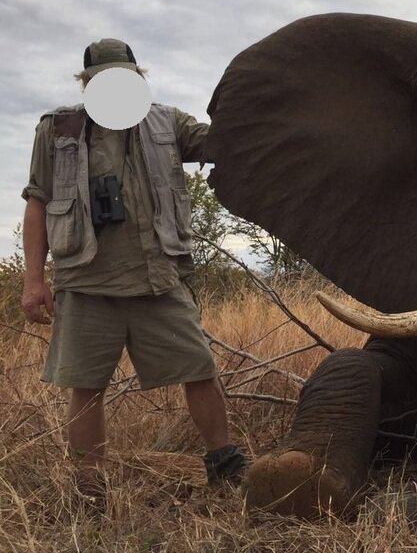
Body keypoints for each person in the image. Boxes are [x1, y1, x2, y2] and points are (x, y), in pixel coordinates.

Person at [20, 38, 248, 508]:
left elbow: (223, 142)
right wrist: (34, 280)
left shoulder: (167, 121)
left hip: (158, 278)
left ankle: (225, 465)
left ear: (137, 78)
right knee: (86, 384)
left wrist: (249, 101)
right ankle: (89, 484)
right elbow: (37, 202)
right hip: (86, 280)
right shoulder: (58, 129)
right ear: (88, 85)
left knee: (199, 368)